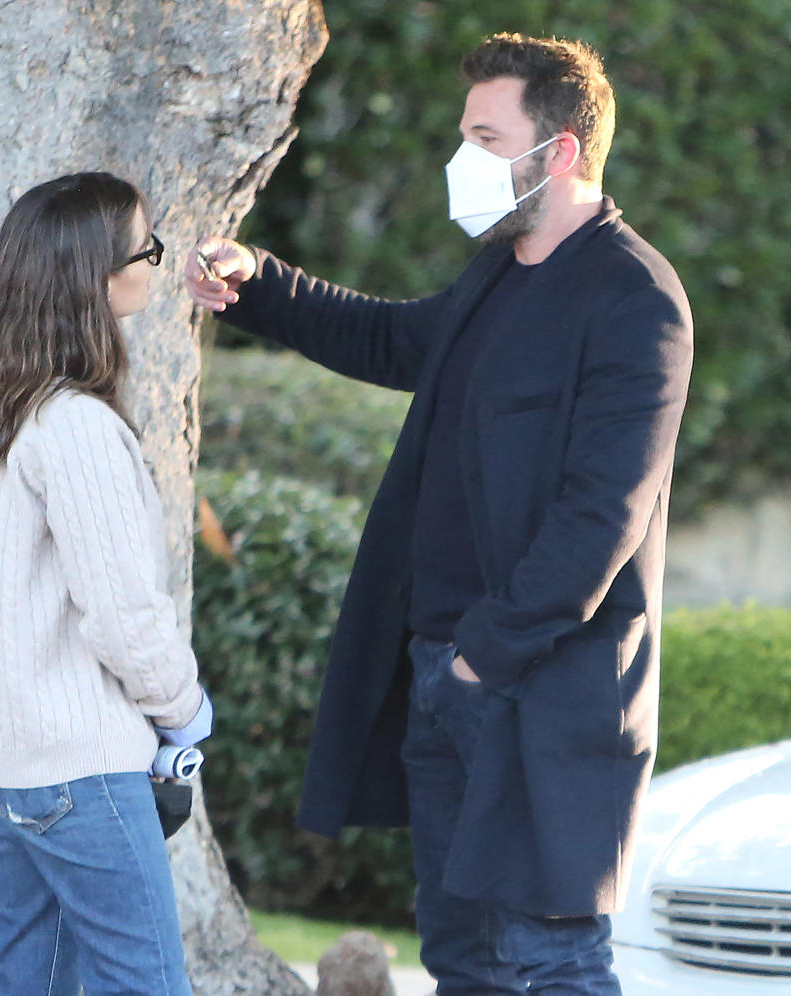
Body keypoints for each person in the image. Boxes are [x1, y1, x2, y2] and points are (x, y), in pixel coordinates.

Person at [185, 33, 692, 996]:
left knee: (546, 962)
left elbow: (602, 518)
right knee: (461, 962)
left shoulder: (637, 300)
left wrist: (480, 659)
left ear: (563, 150)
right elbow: (391, 336)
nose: (462, 159)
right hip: (448, 678)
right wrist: (260, 282)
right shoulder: (497, 277)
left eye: (484, 136)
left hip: (539, 695)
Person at [0, 171, 211, 996]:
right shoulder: (79, 427)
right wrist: (185, 711)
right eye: (147, 247)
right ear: (98, 274)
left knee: (30, 979)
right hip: (75, 767)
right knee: (147, 984)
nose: (155, 263)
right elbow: (125, 616)